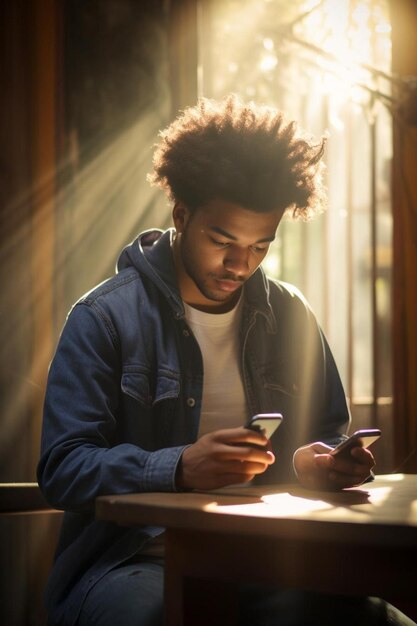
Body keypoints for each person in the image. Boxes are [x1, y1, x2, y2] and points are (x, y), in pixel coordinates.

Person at [37, 95, 415, 626]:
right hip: (134, 561)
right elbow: (63, 469)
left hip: (267, 556)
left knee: (371, 616)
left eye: (261, 246)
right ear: (181, 214)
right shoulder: (104, 318)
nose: (241, 264)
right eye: (222, 241)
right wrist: (179, 468)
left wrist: (318, 465)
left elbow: (326, 434)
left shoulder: (291, 315)